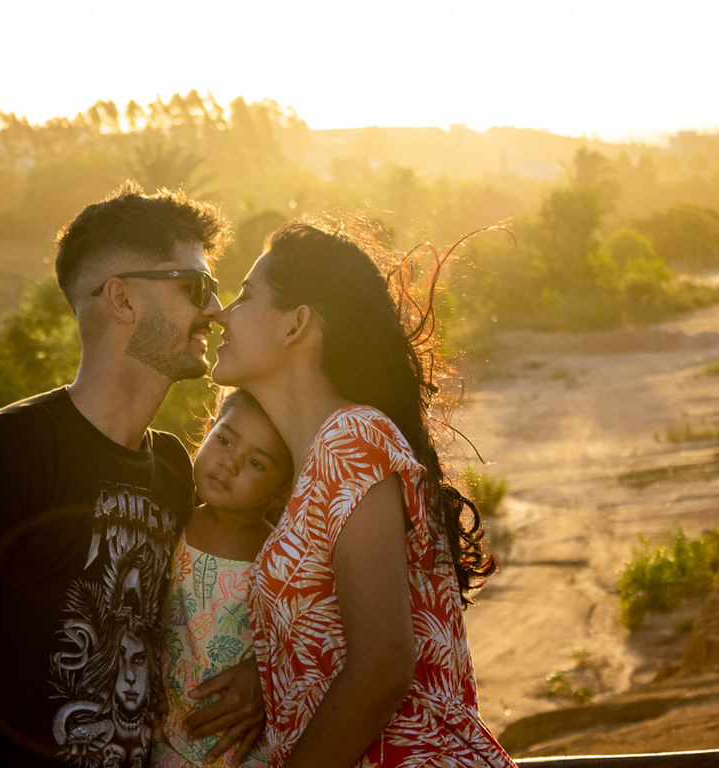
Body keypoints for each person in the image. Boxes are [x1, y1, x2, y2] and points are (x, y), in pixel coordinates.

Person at [0, 182, 260, 768]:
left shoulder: (172, 470)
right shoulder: (11, 451)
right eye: (196, 286)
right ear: (122, 300)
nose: (213, 309)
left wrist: (263, 670)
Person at [211, 217, 515, 767]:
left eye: (245, 296)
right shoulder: (308, 469)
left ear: (296, 324)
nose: (220, 314)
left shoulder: (353, 438)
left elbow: (382, 666)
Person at [152, 389, 293, 768]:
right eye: (225, 440)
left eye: (256, 463)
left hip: (247, 746)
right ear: (209, 430)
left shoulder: (282, 555)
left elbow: (302, 643)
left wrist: (264, 676)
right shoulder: (168, 523)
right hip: (164, 737)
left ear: (283, 491)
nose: (228, 464)